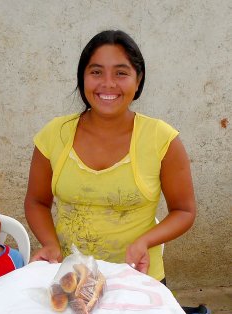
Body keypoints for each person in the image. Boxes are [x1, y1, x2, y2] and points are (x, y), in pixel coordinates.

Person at [24, 30, 196, 282]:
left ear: (138, 80)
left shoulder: (162, 139)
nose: (108, 83)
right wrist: (51, 245)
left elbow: (184, 211)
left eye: (121, 73)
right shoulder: (55, 134)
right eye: (96, 72)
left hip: (137, 278)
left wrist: (145, 241)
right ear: (82, 78)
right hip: (71, 279)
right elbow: (36, 202)